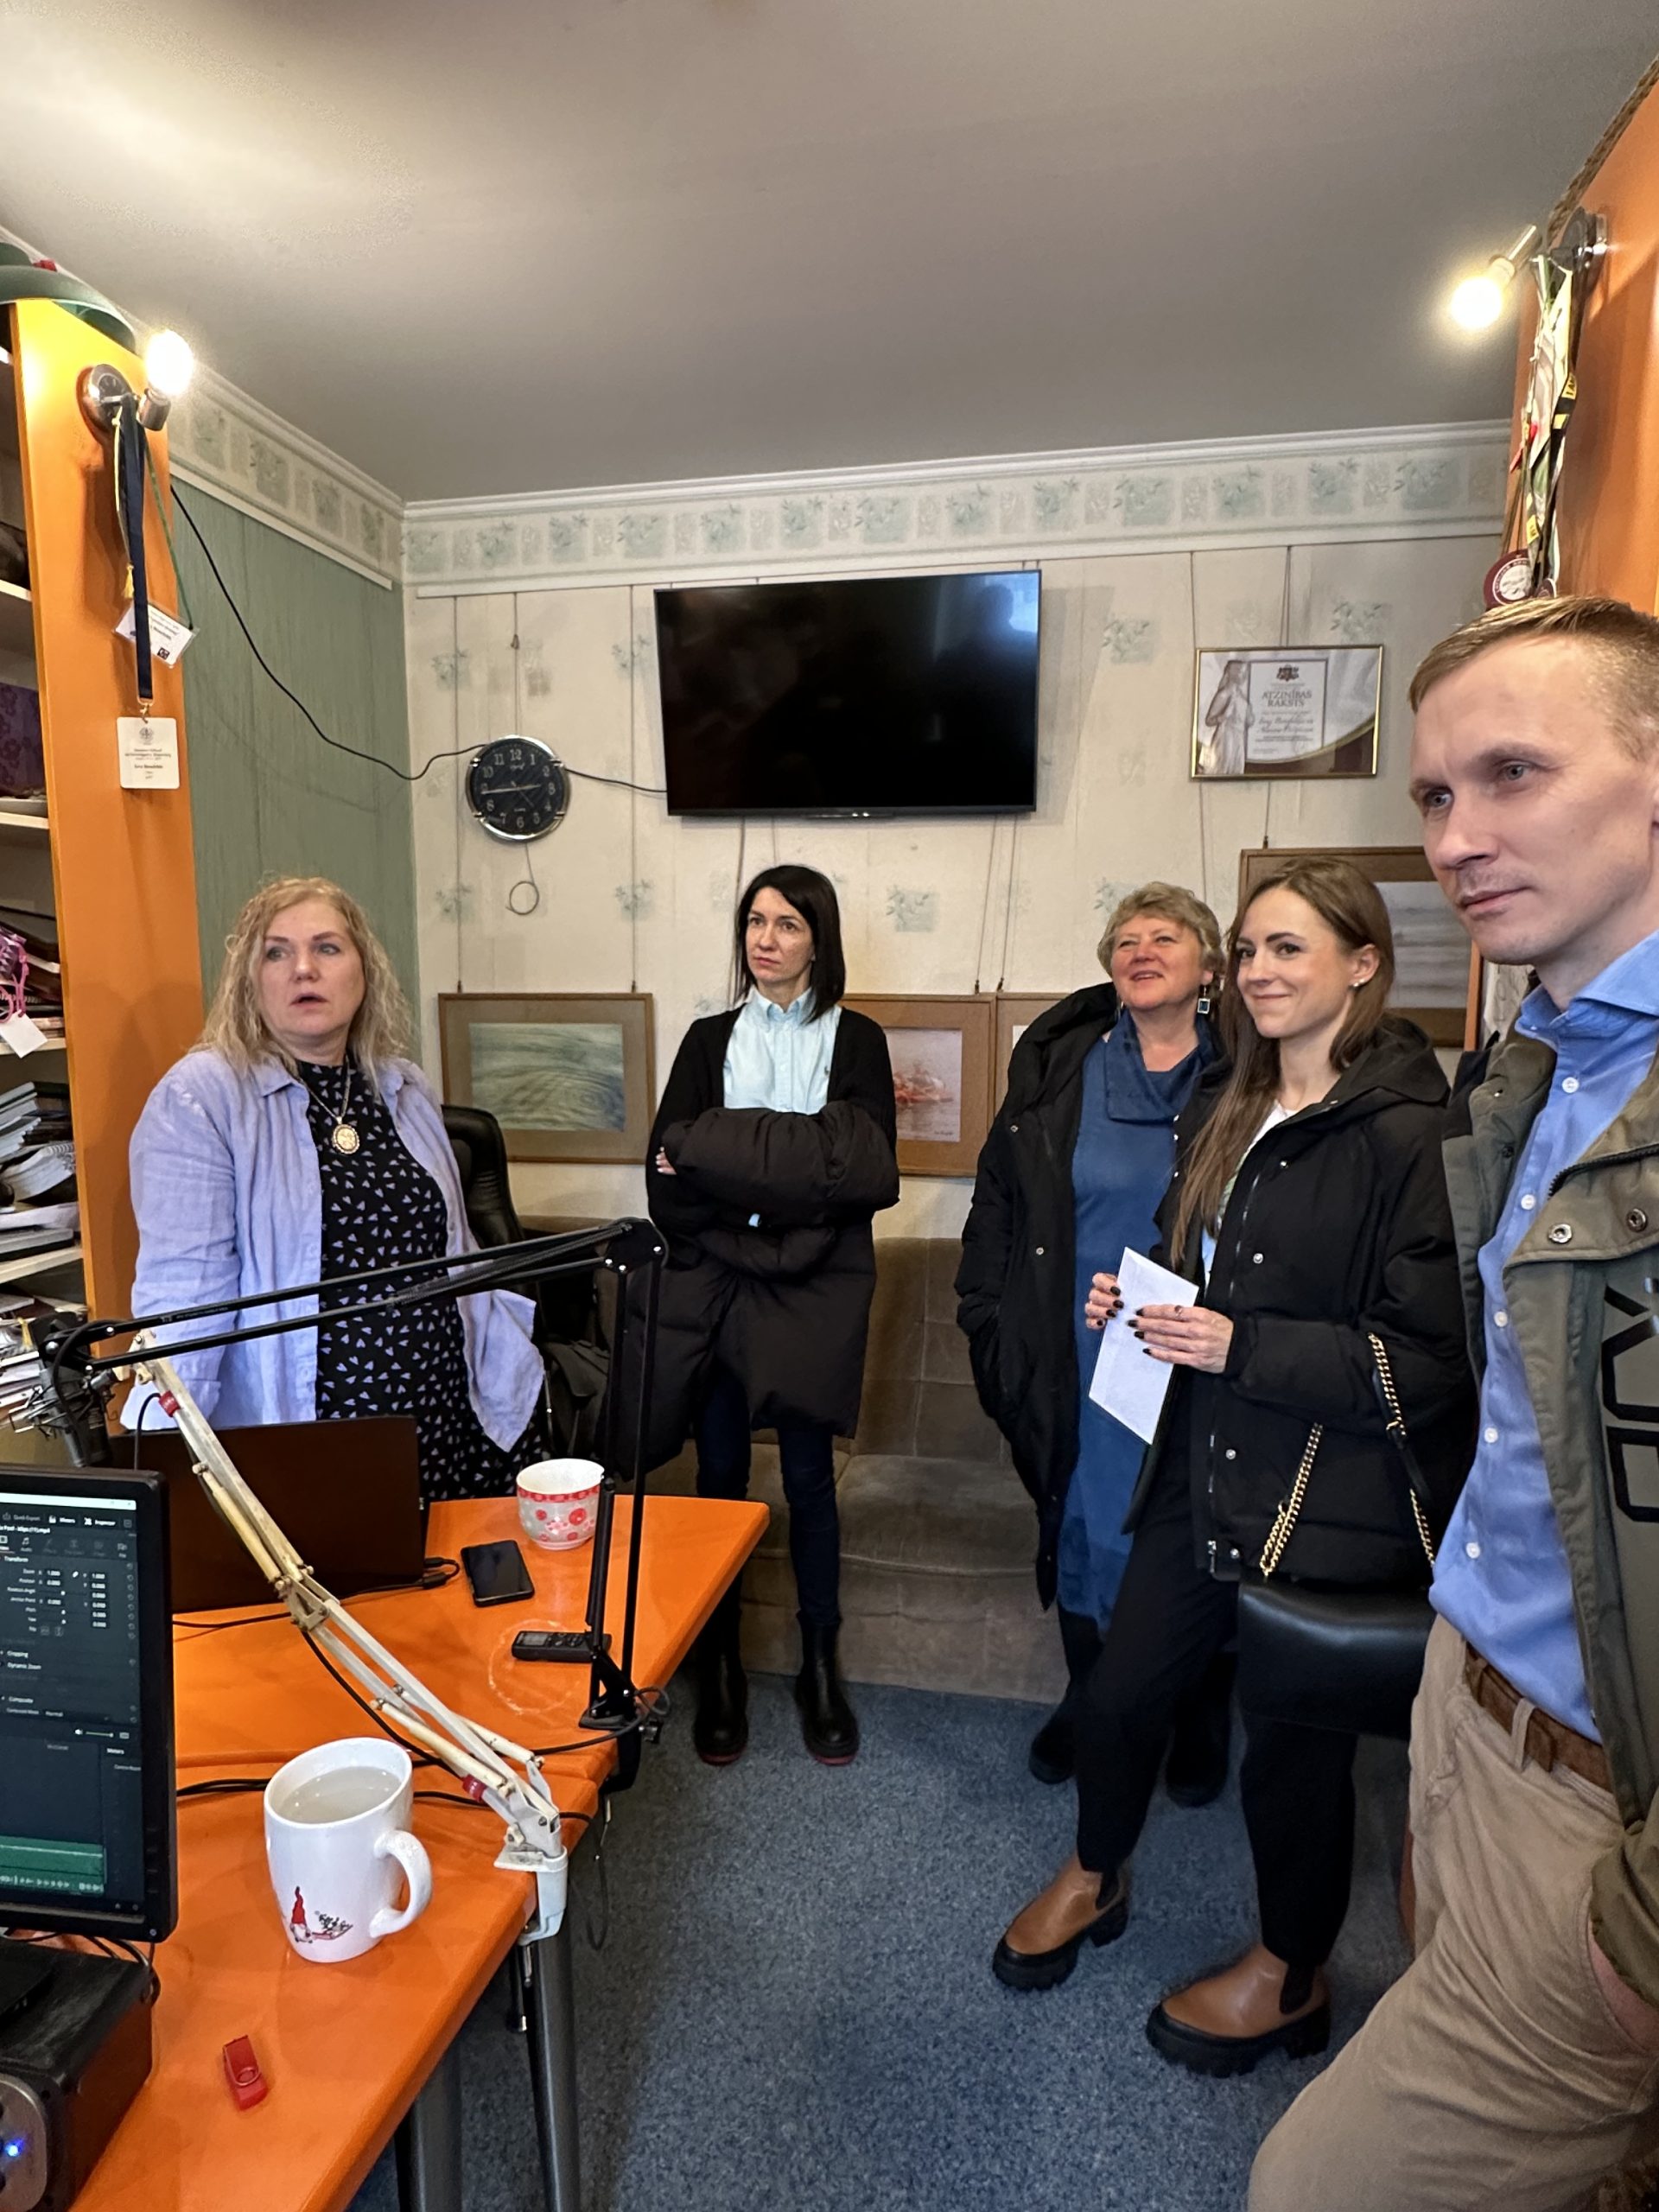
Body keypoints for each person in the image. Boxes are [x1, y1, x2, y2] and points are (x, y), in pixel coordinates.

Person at [1251, 597, 1659, 2208]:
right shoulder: (1534, 1071)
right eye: (1434, 795)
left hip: (1603, 1795)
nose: (1458, 838)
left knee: (1310, 2187)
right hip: (1472, 1691)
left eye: (1512, 774)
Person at [991, 857, 1472, 2082]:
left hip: (1320, 1495)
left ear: (1363, 964)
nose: (1258, 971)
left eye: (1288, 949)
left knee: (1292, 1757)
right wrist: (1136, 1298)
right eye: (1251, 949)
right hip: (1197, 1462)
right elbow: (1196, 1260)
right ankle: (1097, 1871)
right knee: (1120, 1695)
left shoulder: (1413, 1132)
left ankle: (1290, 1974)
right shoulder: (1229, 1099)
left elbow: (1426, 1364)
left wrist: (1237, 1343)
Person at [128, 876, 545, 1499]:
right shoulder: (201, 1098)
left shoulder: (402, 1086)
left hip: (452, 1408)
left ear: (364, 971)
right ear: (250, 979)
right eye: (277, 952)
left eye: (327, 948)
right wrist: (164, 1463)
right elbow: (186, 1298)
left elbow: (456, 1255)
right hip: (314, 1430)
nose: (304, 969)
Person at [957, 883, 1236, 1802]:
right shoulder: (1062, 1067)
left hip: (1197, 1360)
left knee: (1191, 1532)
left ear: (1209, 966)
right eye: (1125, 939)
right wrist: (989, 1316)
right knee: (1081, 1526)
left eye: (1165, 936)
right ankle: (1089, 1694)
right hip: (1078, 1355)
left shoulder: (1247, 1075)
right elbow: (999, 1197)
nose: (1140, 950)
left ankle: (1199, 1706)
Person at [646, 864, 898, 1766]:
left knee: (809, 1482)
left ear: (818, 939)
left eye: (787, 923)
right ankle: (720, 1663)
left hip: (817, 1288)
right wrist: (795, 1180)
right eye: (755, 921)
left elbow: (868, 1174)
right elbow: (664, 1186)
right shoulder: (707, 1039)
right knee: (719, 1475)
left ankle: (818, 1666)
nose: (766, 939)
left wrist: (721, 1160)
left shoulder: (858, 1039)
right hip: (720, 1286)